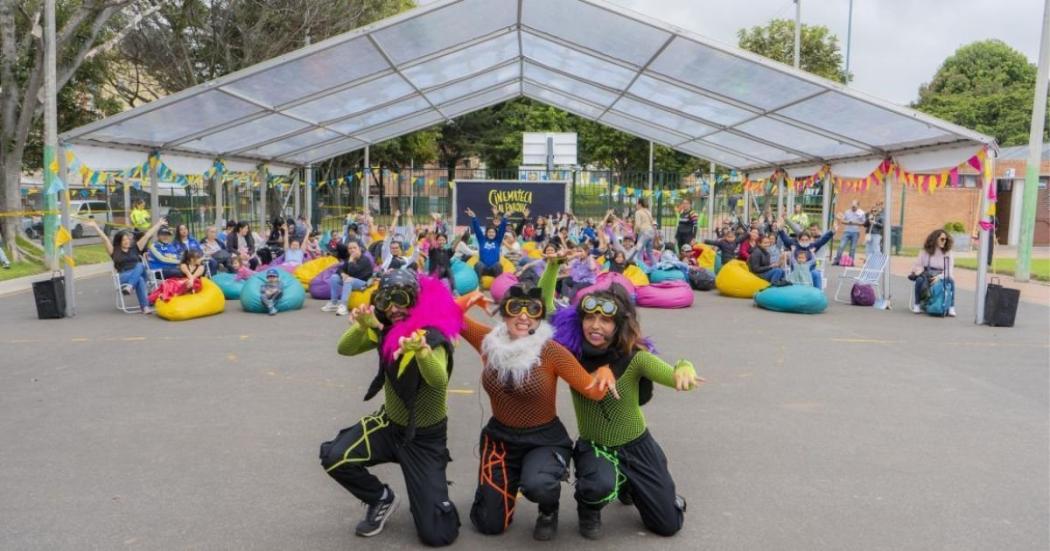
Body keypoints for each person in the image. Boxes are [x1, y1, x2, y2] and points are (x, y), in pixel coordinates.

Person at [457, 284, 615, 540]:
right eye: (514, 307)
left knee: (537, 485)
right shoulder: (488, 342)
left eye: (533, 309)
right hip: (501, 440)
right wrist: (470, 298)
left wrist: (605, 370)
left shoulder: (550, 351)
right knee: (488, 524)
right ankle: (509, 483)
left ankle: (548, 509)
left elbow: (593, 391)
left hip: (544, 439)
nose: (523, 315)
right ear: (503, 312)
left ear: (539, 317)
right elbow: (446, 315)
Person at [320, 271, 463, 546]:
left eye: (401, 299)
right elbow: (344, 349)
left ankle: (429, 493)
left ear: (416, 299)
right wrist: (362, 326)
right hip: (390, 426)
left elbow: (439, 379)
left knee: (437, 534)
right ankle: (381, 499)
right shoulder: (387, 329)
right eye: (386, 301)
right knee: (335, 457)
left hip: (425, 438)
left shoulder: (432, 336)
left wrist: (421, 353)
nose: (394, 308)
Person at [549, 284, 702, 540]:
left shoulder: (635, 358)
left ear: (618, 325)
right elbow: (545, 307)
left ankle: (630, 484)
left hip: (637, 446)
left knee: (668, 524)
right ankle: (589, 507)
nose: (596, 326)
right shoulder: (570, 356)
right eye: (590, 317)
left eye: (605, 320)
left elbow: (671, 372)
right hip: (596, 446)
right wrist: (553, 268)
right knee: (598, 485)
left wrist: (684, 367)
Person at [89, 217, 164, 314]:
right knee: (140, 277)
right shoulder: (114, 251)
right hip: (123, 275)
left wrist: (158, 224)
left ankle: (130, 287)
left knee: (140, 266)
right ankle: (145, 307)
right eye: (124, 240)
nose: (127, 241)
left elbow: (147, 236)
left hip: (137, 274)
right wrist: (95, 227)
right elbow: (105, 239)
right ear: (119, 241)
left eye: (128, 239)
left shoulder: (135, 248)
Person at [910, 229, 957, 317]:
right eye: (942, 239)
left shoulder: (948, 253)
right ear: (935, 239)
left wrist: (940, 277)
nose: (944, 241)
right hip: (927, 273)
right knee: (920, 280)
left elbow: (949, 270)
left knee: (951, 280)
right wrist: (920, 272)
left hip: (941, 274)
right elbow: (917, 265)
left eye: (946, 239)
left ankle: (951, 307)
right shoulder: (925, 251)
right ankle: (917, 304)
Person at [323, 242, 374, 316]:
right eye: (350, 248)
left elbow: (354, 272)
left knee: (348, 279)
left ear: (359, 248)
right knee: (334, 277)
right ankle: (334, 302)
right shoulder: (349, 259)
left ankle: (344, 305)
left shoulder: (364, 259)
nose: (352, 250)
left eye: (354, 248)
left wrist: (351, 260)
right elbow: (340, 269)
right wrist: (343, 274)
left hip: (364, 283)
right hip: (351, 281)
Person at [466, 207, 507, 279]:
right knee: (478, 264)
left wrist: (505, 218)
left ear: (496, 234)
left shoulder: (497, 240)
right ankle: (477, 285)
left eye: (493, 232)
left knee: (498, 265)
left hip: (494, 269)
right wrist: (474, 217)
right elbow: (477, 229)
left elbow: (502, 230)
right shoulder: (482, 240)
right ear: (486, 233)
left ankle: (498, 285)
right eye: (489, 232)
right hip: (483, 268)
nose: (491, 234)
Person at [834, 201, 865, 265]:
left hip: (856, 232)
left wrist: (855, 223)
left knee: (852, 248)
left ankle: (851, 262)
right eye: (852, 206)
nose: (853, 208)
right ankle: (837, 260)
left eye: (854, 207)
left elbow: (863, 223)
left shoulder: (861, 213)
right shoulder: (847, 212)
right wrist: (848, 222)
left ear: (858, 206)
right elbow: (842, 221)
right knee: (841, 246)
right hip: (847, 231)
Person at [633, 198, 655, 264]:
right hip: (651, 232)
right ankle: (655, 266)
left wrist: (635, 232)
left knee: (639, 251)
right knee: (649, 252)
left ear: (639, 204)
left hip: (644, 232)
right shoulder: (648, 212)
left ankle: (641, 269)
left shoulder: (638, 212)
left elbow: (638, 225)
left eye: (637, 204)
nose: (636, 205)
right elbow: (652, 222)